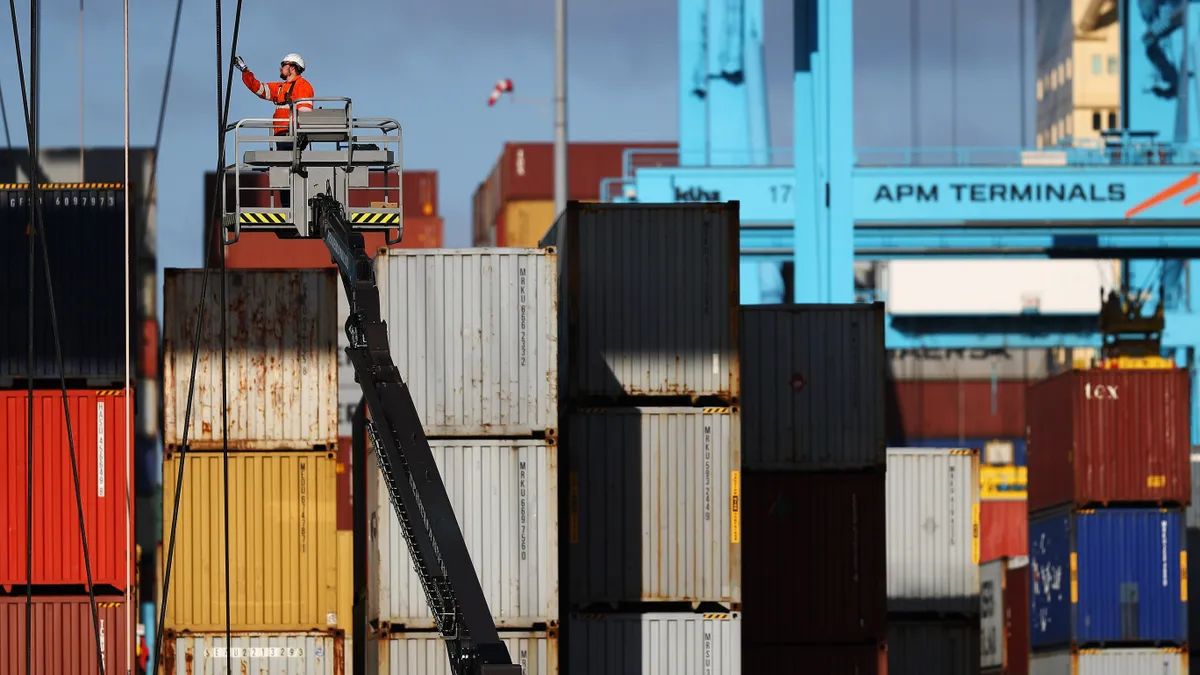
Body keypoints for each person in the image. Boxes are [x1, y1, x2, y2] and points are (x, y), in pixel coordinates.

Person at [234, 53, 314, 208]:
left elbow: (305, 113)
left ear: (292, 68)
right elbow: (259, 88)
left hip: (293, 137)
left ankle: (294, 206)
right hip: (282, 136)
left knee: (291, 173)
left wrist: (301, 134)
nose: (280, 67)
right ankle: (287, 206)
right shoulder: (280, 88)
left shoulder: (302, 86)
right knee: (283, 172)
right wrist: (244, 70)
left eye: (284, 64)